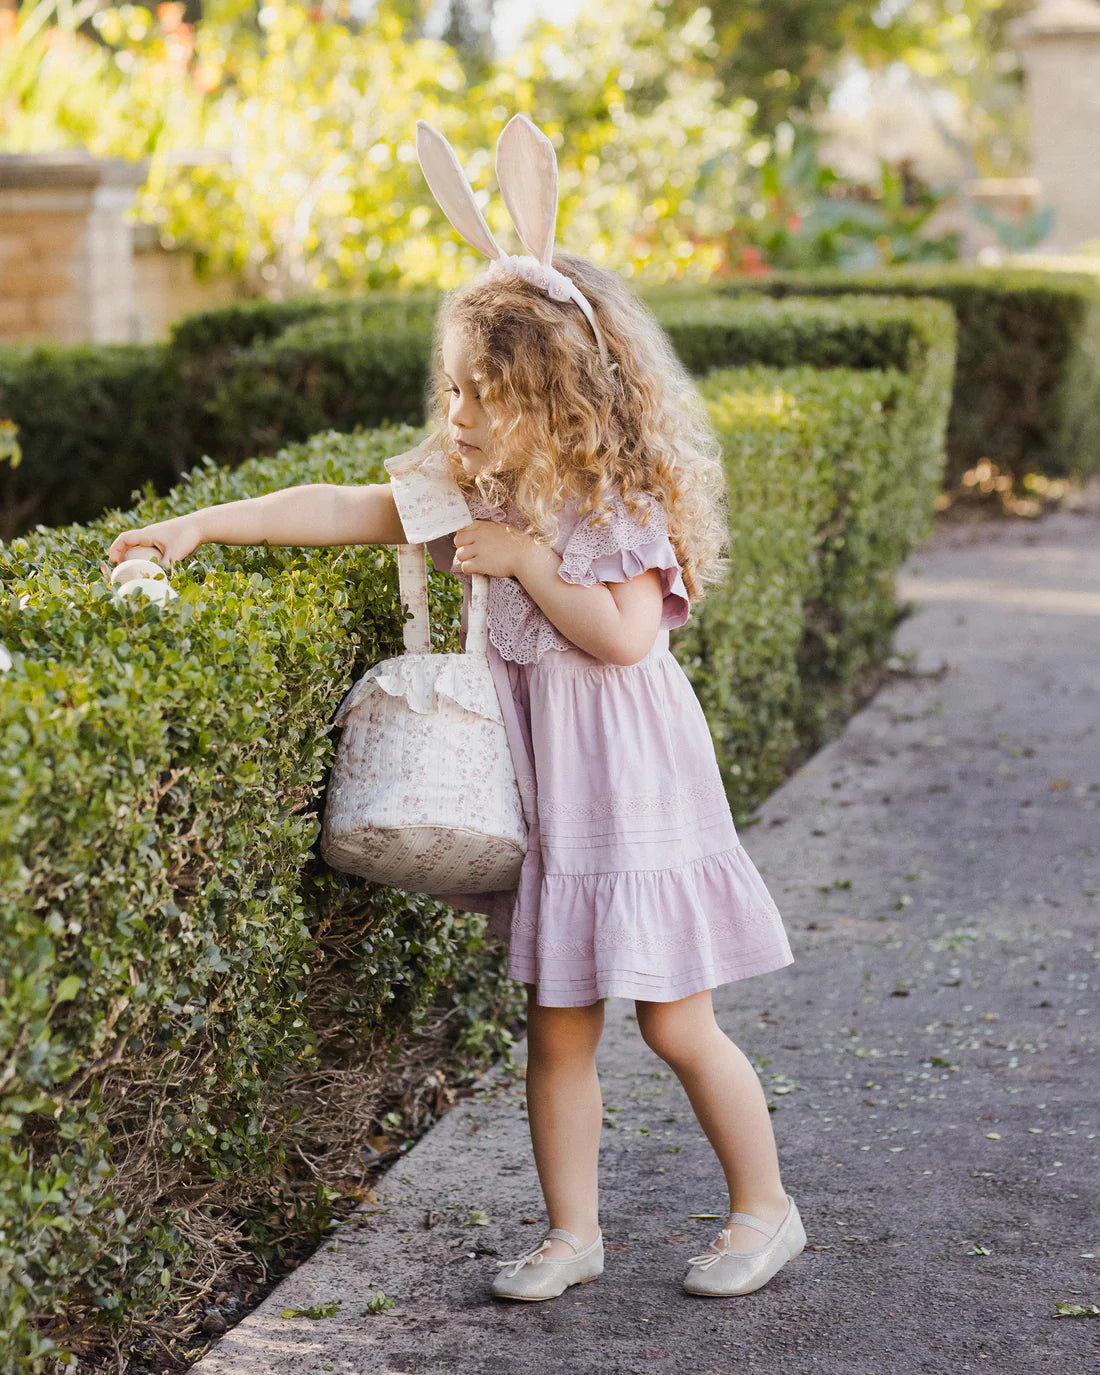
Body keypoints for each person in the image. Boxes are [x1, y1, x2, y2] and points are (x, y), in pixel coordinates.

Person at [107, 116, 806, 1305]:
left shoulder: (608, 499)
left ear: (561, 399)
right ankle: (569, 1233)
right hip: (556, 794)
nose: (462, 416)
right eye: (454, 391)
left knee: (676, 1025)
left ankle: (764, 1208)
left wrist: (530, 563)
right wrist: (199, 524)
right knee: (557, 1028)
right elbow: (344, 504)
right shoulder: (467, 484)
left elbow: (629, 635)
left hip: (631, 784)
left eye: (487, 397)